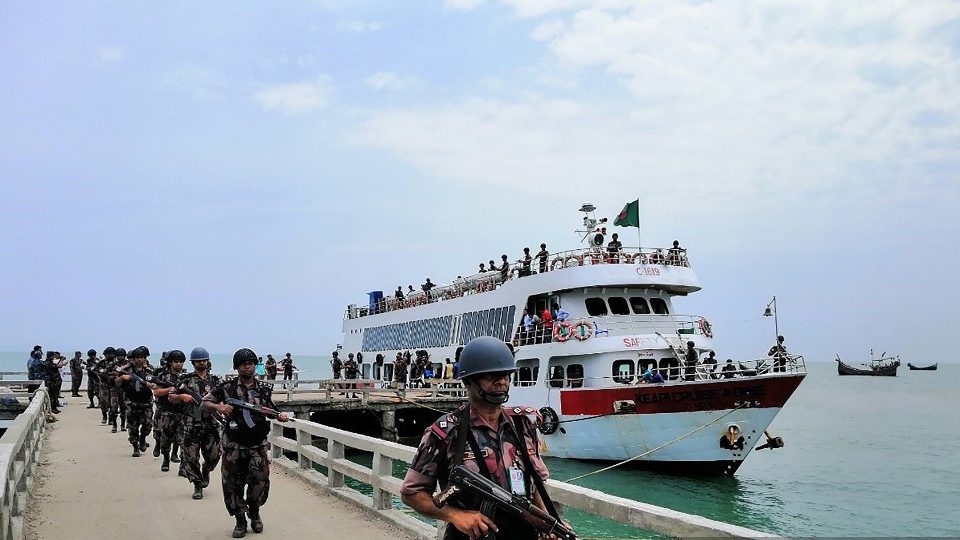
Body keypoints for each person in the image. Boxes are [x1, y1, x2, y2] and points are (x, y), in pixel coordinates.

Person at [400, 337, 570, 540]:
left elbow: (535, 484)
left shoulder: (523, 425)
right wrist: (455, 515)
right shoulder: (446, 432)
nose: (501, 381)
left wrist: (548, 522)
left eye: (506, 375)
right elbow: (412, 493)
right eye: (492, 376)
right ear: (468, 382)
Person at [203, 348, 289, 538]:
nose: (247, 367)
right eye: (243, 364)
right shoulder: (226, 388)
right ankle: (240, 520)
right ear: (237, 367)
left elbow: (270, 410)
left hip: (257, 444)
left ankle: (255, 512)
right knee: (232, 484)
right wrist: (220, 406)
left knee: (260, 480)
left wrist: (280, 416)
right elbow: (205, 403)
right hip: (233, 444)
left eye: (250, 363)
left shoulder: (263, 389)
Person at [174, 346, 223, 500]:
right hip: (191, 424)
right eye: (198, 361)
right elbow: (171, 397)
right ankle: (197, 484)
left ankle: (206, 470)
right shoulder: (185, 380)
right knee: (190, 457)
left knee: (215, 455)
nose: (202, 363)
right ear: (193, 363)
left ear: (208, 362)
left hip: (212, 424)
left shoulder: (216, 380)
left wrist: (221, 407)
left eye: (204, 360)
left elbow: (225, 398)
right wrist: (182, 397)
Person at [116, 346, 154, 457]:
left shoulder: (150, 370)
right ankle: (135, 447)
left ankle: (142, 439)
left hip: (146, 401)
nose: (139, 360)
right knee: (133, 427)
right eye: (136, 357)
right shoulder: (126, 369)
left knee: (148, 424)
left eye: (141, 357)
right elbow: (117, 382)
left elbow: (156, 382)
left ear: (145, 358)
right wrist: (123, 377)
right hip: (131, 402)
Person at [153, 349, 187, 471]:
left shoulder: (186, 377)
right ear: (171, 362)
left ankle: (183, 467)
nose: (178, 364)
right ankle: (166, 458)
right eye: (176, 361)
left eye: (181, 362)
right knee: (165, 440)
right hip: (167, 412)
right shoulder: (163, 376)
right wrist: (171, 389)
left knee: (184, 442)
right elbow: (156, 392)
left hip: (183, 413)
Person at [96, 347, 116, 426]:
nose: (109, 355)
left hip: (113, 385)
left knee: (113, 403)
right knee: (103, 401)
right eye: (108, 354)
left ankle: (111, 418)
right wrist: (103, 374)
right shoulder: (101, 362)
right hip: (104, 384)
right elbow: (95, 370)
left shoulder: (116, 363)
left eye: (111, 354)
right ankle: (104, 416)